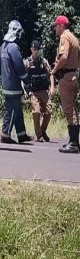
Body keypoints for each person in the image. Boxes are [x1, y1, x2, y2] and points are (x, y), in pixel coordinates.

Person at [0, 20, 32, 144]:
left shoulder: (2, 47)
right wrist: (27, 81)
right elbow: (19, 66)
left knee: (17, 110)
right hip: (13, 85)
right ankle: (5, 135)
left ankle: (21, 134)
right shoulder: (14, 47)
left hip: (6, 83)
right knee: (11, 110)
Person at [50, 15, 80, 154]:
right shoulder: (74, 38)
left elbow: (64, 56)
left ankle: (73, 143)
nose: (55, 28)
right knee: (73, 109)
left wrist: (54, 70)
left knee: (68, 110)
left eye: (56, 26)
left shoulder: (64, 38)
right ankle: (74, 141)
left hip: (66, 77)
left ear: (61, 26)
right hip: (73, 75)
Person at [24, 40, 54, 142]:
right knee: (36, 112)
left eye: (38, 49)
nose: (36, 52)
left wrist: (52, 87)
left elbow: (51, 74)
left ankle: (43, 130)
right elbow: (22, 76)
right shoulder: (27, 62)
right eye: (34, 49)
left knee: (49, 112)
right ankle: (39, 135)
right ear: (31, 49)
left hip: (44, 90)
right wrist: (24, 90)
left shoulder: (43, 61)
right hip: (33, 91)